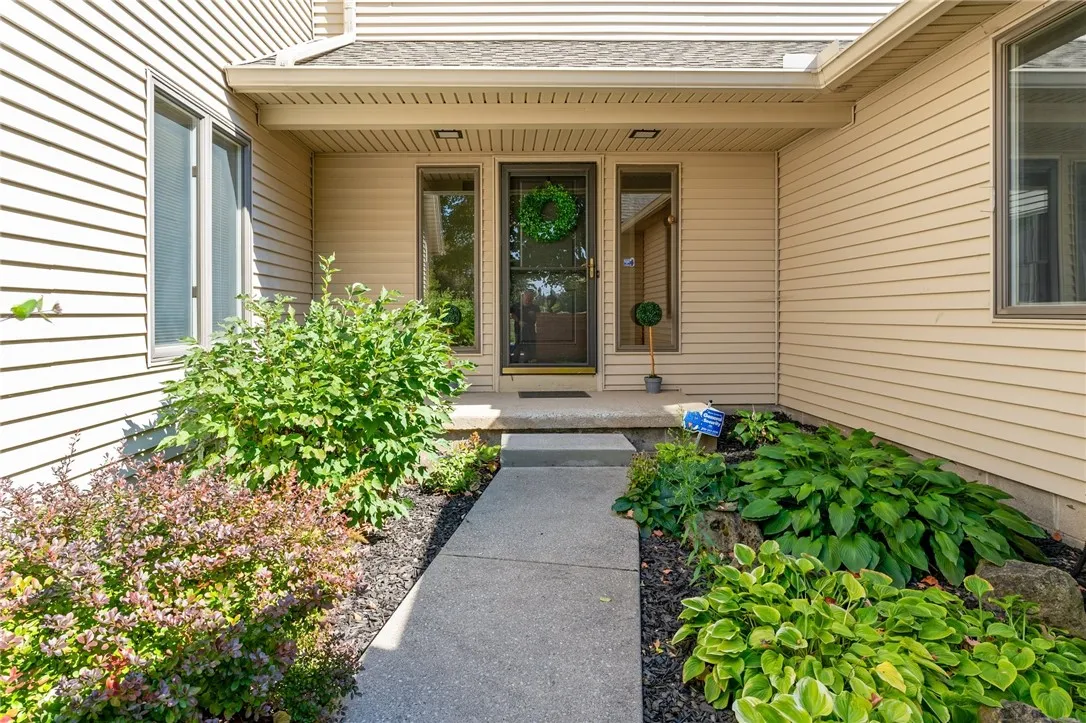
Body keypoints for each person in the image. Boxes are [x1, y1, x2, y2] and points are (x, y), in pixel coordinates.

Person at [510, 289, 538, 363]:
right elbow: (512, 314)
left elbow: (539, 318)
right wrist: (519, 321)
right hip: (518, 329)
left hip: (530, 330)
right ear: (523, 296)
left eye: (531, 297)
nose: (529, 299)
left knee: (529, 345)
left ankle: (528, 360)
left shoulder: (535, 307)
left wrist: (533, 316)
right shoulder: (516, 305)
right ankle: (514, 362)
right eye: (527, 297)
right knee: (518, 344)